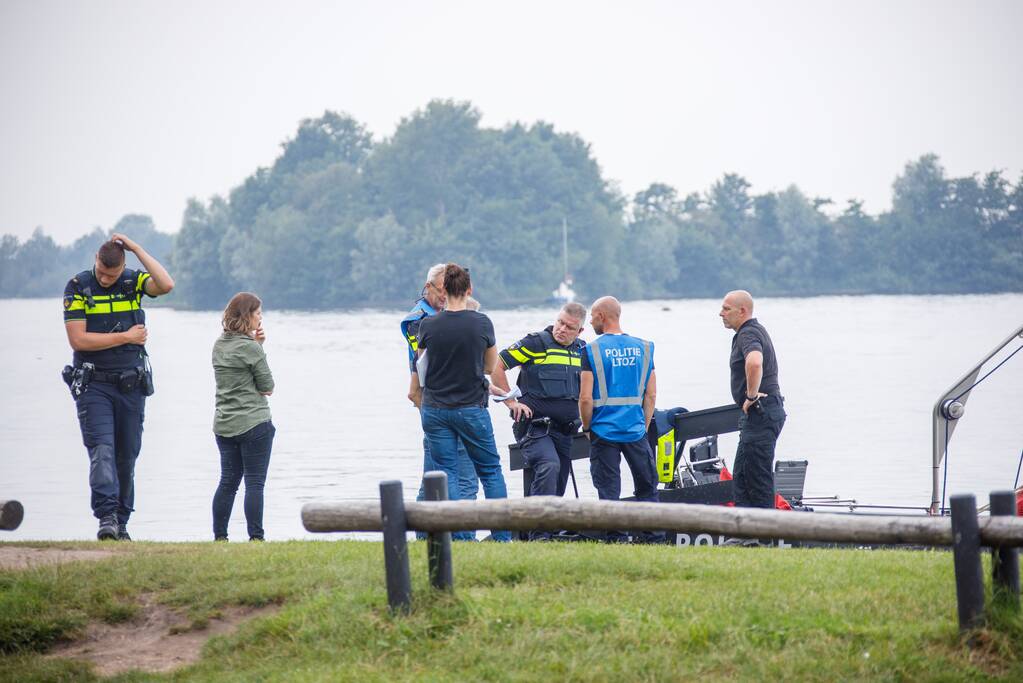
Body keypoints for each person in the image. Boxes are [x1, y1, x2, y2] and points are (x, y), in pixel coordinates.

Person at [62, 234, 174, 540]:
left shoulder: (131, 282)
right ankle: (106, 518)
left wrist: (137, 249)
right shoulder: (78, 287)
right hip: (94, 385)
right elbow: (79, 339)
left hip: (130, 385)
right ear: (95, 261)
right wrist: (126, 337)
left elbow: (166, 285)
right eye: (100, 271)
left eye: (111, 274)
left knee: (127, 456)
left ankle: (122, 523)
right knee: (102, 451)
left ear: (122, 266)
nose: (104, 278)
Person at [416, 264, 511, 542]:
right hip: (470, 407)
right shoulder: (482, 323)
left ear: (443, 290)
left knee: (447, 472)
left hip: (435, 409)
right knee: (490, 470)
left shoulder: (428, 324)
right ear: (469, 290)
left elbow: (422, 365)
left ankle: (460, 538)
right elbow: (490, 365)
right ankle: (503, 536)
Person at [491, 303, 587, 539]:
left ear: (580, 331)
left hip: (565, 430)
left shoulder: (583, 351)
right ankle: (539, 535)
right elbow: (495, 365)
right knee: (549, 466)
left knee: (560, 479)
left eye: (569, 327)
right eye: (560, 322)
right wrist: (511, 402)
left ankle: (541, 529)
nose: (562, 329)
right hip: (535, 428)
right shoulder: (535, 343)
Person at [578, 296, 660, 543]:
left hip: (603, 431)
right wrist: (643, 425)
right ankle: (653, 537)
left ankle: (617, 538)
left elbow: (585, 399)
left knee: (609, 489)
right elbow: (651, 394)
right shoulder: (644, 348)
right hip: (635, 429)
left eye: (592, 315)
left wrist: (587, 427)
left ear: (602, 316)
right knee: (647, 486)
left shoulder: (590, 350)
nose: (590, 320)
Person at [402, 265, 478, 516]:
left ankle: (430, 533)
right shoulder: (419, 320)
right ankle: (458, 534)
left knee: (435, 477)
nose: (445, 297)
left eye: (449, 290)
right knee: (452, 477)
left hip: (449, 401)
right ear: (427, 288)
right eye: (441, 291)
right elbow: (425, 365)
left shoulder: (443, 314)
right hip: (438, 402)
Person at [211, 292, 276, 542]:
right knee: (255, 483)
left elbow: (238, 368)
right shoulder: (251, 348)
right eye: (258, 313)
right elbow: (267, 387)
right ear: (248, 315)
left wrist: (256, 345)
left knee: (227, 482)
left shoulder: (219, 345)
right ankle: (256, 538)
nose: (261, 318)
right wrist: (258, 348)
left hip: (224, 424)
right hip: (254, 423)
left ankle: (220, 536)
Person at [719, 290, 786, 509]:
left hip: (761, 412)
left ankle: (763, 536)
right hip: (762, 414)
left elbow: (755, 362)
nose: (721, 313)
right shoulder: (753, 331)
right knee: (742, 475)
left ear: (742, 311)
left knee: (757, 479)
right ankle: (746, 535)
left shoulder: (748, 333)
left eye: (726, 309)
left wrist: (751, 395)